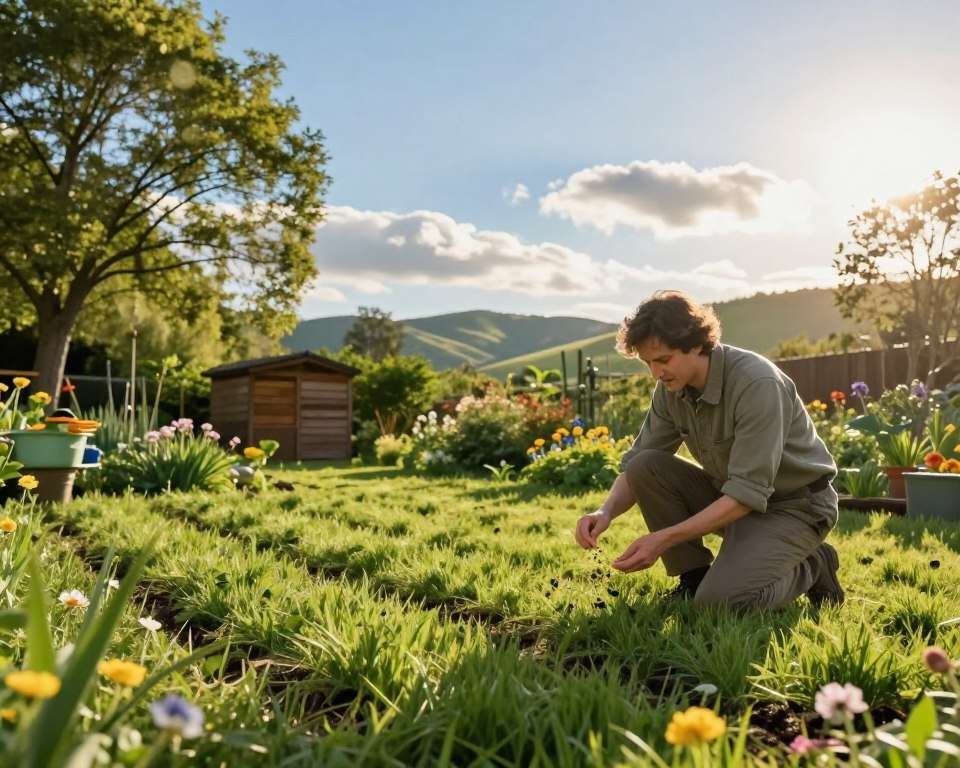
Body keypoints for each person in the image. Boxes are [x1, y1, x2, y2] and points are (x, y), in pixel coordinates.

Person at [574, 290, 844, 609]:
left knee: (721, 604)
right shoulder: (670, 389)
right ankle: (694, 578)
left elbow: (746, 494)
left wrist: (663, 539)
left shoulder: (757, 384)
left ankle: (812, 565)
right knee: (646, 466)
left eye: (663, 359)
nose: (656, 373)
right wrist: (604, 512)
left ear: (697, 344)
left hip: (795, 507)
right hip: (733, 499)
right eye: (648, 363)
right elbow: (637, 465)